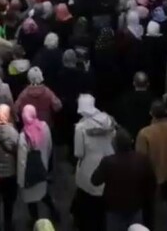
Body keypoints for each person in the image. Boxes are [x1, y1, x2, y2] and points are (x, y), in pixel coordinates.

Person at [91, 128, 155, 231]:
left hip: (114, 208)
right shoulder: (142, 159)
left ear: (115, 145)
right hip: (136, 206)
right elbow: (151, 183)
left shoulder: (108, 162)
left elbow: (95, 181)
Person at [136, 100, 167, 231]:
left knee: (149, 209)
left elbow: (141, 160)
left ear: (151, 113)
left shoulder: (144, 133)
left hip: (154, 176)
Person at [72, 94, 116, 231]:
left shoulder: (80, 127)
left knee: (88, 203)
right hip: (109, 165)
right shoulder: (108, 120)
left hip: (89, 169)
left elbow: (78, 153)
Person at [17, 105, 60, 224]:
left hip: (29, 174)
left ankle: (35, 221)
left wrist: (21, 181)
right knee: (44, 193)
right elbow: (50, 146)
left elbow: (22, 161)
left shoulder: (23, 136)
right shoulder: (44, 127)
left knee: (31, 199)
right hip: (43, 167)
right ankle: (55, 212)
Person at [114, 72, 156, 141]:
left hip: (130, 137)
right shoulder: (154, 100)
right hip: (150, 137)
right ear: (148, 84)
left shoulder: (124, 99)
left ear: (134, 83)